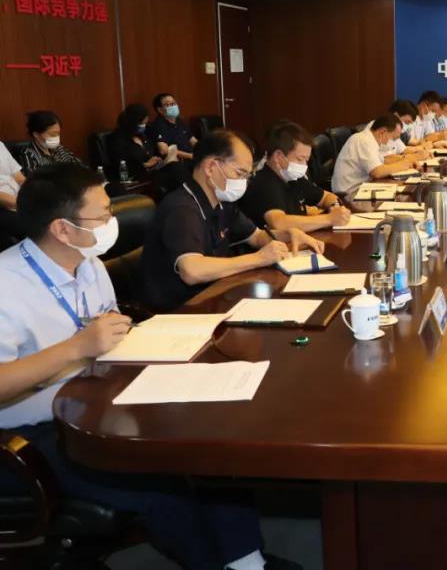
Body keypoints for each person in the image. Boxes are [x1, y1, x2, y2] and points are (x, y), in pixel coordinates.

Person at [0, 163, 298, 569]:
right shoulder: (7, 285)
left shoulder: (87, 263)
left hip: (105, 394)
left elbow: (107, 325)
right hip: (41, 431)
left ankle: (247, 562)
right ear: (62, 229)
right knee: (163, 486)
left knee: (212, 448)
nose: (112, 222)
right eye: (103, 215)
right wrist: (76, 348)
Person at [140, 130, 322, 312]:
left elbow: (257, 237)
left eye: (247, 176)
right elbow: (192, 271)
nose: (244, 183)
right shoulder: (181, 208)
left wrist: (288, 235)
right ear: (211, 167)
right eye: (240, 173)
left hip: (214, 296)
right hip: (179, 311)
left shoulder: (223, 203)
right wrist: (258, 258)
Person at [240, 121, 351, 233]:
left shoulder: (292, 178)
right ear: (278, 157)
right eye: (300, 159)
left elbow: (326, 197)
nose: (304, 166)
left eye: (306, 160)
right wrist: (329, 219)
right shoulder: (264, 184)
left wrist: (335, 207)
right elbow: (279, 223)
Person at [332, 114, 419, 197]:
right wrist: (402, 165)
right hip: (350, 193)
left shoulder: (371, 139)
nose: (392, 142)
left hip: (362, 188)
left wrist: (407, 161)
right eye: (393, 138)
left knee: (401, 191)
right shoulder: (364, 141)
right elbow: (377, 172)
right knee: (400, 196)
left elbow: (384, 160)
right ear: (382, 132)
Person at [147, 93, 197, 161]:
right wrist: (190, 156)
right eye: (168, 104)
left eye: (174, 103)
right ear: (160, 110)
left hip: (191, 158)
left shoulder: (179, 121)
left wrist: (203, 150)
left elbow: (193, 140)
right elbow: (163, 150)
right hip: (176, 161)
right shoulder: (158, 125)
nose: (173, 106)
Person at [0, 141, 26, 244]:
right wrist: (23, 203)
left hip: (19, 198)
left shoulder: (0, 145)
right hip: (4, 206)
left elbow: (19, 177)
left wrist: (32, 192)